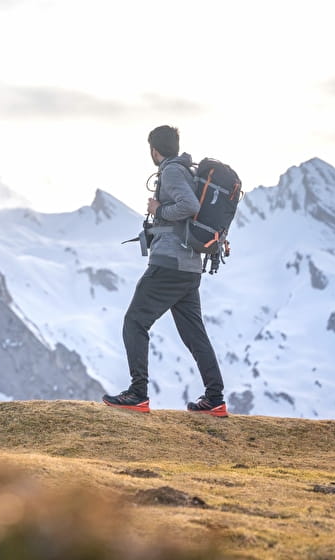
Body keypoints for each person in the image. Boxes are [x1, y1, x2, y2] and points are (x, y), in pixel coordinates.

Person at [102, 125, 227, 416]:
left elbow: (189, 205)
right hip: (189, 267)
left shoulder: (171, 172)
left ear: (154, 150)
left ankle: (137, 394)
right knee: (195, 335)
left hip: (169, 264)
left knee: (134, 322)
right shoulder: (186, 171)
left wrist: (158, 210)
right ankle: (215, 399)